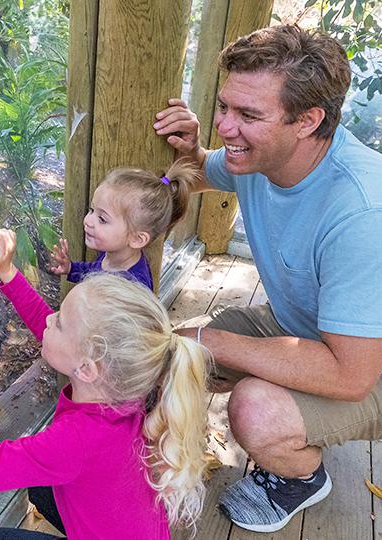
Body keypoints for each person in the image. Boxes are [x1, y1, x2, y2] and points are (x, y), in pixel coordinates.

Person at [153, 23, 382, 533]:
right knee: (174, 358)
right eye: (225, 107)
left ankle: (302, 478)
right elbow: (210, 165)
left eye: (248, 115)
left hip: (369, 364)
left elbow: (352, 375)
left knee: (254, 409)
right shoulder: (259, 156)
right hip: (306, 329)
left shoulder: (363, 213)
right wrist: (189, 148)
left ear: (308, 120)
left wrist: (211, 337)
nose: (225, 128)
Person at [0, 228, 212, 539]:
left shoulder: (77, 440)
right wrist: (8, 273)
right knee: (42, 487)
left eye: (61, 320)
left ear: (86, 368)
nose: (50, 319)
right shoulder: (132, 391)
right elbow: (57, 338)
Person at [49, 162, 197, 291]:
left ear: (138, 239)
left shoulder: (133, 287)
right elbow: (95, 270)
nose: (88, 220)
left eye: (102, 219)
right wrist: (71, 269)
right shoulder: (112, 254)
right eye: (91, 210)